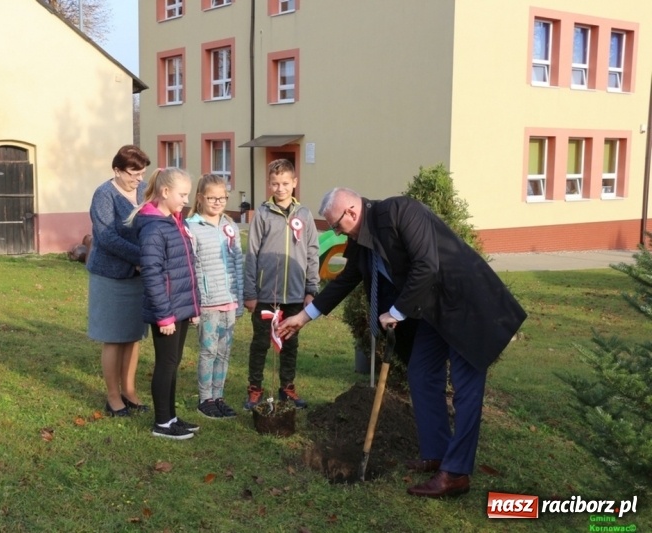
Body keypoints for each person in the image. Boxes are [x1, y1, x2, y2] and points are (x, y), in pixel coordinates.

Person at [277, 187, 527, 497]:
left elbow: (427, 264)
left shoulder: (401, 212)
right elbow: (346, 279)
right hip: (433, 313)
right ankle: (436, 453)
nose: (338, 233)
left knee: (465, 390)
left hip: (465, 307)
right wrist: (304, 316)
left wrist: (395, 311)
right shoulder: (361, 240)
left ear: (352, 213)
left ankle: (456, 473)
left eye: (337, 226)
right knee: (421, 374)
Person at [129, 167, 201, 440]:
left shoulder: (175, 222)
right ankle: (162, 422)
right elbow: (153, 274)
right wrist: (164, 316)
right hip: (166, 311)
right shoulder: (153, 228)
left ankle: (170, 416)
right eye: (182, 194)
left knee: (174, 361)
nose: (186, 200)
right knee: (166, 363)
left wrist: (193, 308)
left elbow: (187, 268)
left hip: (180, 307)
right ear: (165, 191)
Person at [243, 159, 320, 411]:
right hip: (266, 295)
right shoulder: (263, 213)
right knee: (261, 343)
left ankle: (287, 387)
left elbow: (312, 253)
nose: (280, 188)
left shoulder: (305, 215)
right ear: (269, 184)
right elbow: (252, 253)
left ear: (294, 183)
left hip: (296, 295)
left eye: (285, 183)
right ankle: (255, 388)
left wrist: (311, 290)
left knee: (290, 344)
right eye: (275, 183)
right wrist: (251, 292)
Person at [86, 145, 151, 418]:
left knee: (132, 337)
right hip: (110, 275)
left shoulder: (145, 189)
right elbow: (107, 238)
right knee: (114, 338)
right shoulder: (104, 195)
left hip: (138, 275)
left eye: (142, 173)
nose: (138, 179)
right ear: (117, 170)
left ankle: (129, 391)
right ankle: (113, 398)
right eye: (133, 173)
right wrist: (142, 255)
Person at [186, 174, 245, 419]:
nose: (218, 202)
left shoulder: (229, 226)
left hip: (229, 300)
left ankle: (218, 396)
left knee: (224, 351)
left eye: (223, 198)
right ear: (200, 198)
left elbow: (238, 263)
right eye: (213, 198)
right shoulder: (192, 227)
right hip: (207, 303)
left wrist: (239, 300)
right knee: (208, 351)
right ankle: (205, 398)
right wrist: (193, 306)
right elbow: (189, 268)